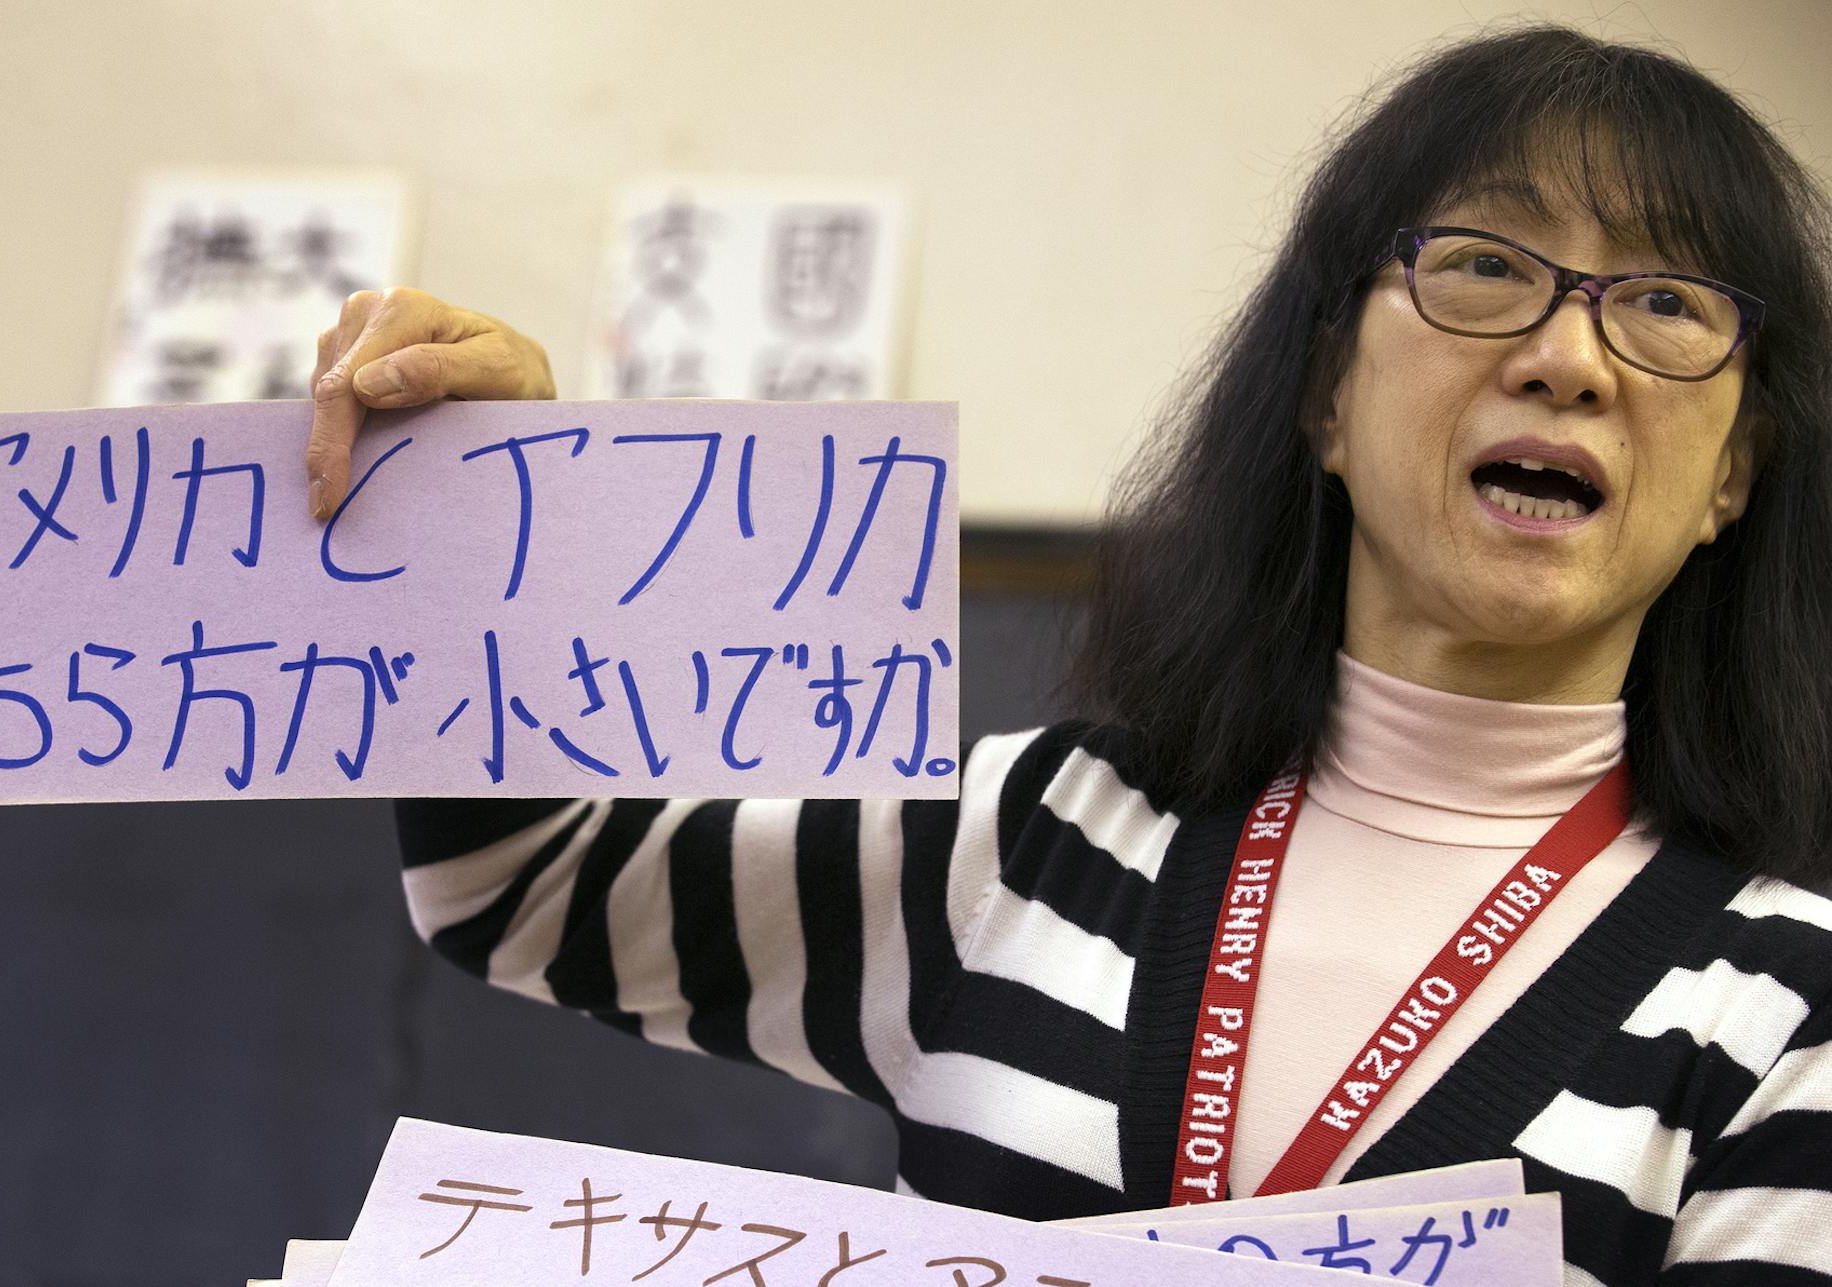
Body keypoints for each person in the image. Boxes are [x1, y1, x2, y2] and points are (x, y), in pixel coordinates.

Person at [300, 26, 1832, 1285]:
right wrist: (499, 520)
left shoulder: (1792, 1007)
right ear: (1323, 398)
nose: (1568, 357)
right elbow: (521, 886)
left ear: (1732, 477)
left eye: (1667, 305)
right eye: (1487, 265)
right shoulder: (1038, 833)